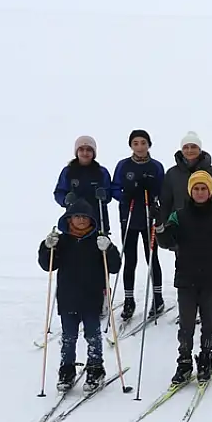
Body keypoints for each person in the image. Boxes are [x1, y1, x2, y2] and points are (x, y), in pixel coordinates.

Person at [155, 171, 212, 385]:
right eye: (196, 189)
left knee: (208, 322)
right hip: (186, 276)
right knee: (186, 323)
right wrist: (159, 224)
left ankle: (206, 356)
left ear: (210, 191)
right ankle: (185, 360)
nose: (200, 192)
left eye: (203, 189)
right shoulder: (179, 215)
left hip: (210, 276)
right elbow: (166, 241)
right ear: (190, 191)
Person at [38, 199, 122, 392]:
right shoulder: (62, 241)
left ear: (91, 219)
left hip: (92, 296)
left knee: (93, 335)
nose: (81, 220)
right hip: (68, 296)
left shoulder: (98, 240)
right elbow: (47, 265)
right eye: (77, 217)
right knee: (69, 337)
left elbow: (115, 266)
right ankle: (66, 370)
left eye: (85, 217)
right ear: (69, 219)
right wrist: (47, 247)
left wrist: (108, 249)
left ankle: (95, 369)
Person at [111, 129, 165, 320]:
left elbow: (162, 190)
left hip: (149, 216)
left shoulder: (156, 166)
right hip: (129, 215)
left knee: (152, 257)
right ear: (131, 145)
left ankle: (158, 298)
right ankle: (128, 299)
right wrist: (125, 195)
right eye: (136, 143)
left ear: (149, 144)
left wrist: (154, 193)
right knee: (130, 259)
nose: (140, 147)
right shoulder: (123, 165)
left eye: (143, 142)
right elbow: (114, 188)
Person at [54, 135, 114, 233]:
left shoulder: (101, 172)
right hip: (74, 221)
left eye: (89, 150)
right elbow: (59, 192)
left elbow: (109, 193)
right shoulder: (68, 171)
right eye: (81, 150)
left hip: (97, 220)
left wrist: (104, 195)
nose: (85, 153)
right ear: (77, 152)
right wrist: (65, 200)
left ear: (93, 153)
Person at [159, 131, 212, 219]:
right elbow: (166, 202)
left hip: (208, 222)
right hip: (179, 222)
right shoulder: (172, 174)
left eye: (193, 147)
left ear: (200, 150)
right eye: (186, 147)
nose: (190, 150)